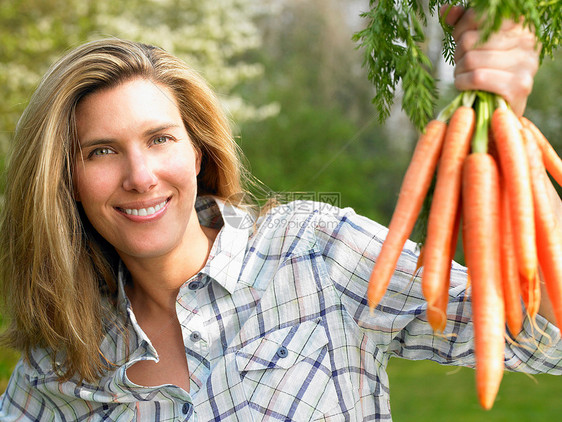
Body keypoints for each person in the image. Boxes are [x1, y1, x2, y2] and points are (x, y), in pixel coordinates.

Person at [0, 6, 560, 421]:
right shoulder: (58, 363)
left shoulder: (318, 253)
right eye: (102, 150)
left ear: (197, 152)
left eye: (160, 139)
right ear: (66, 179)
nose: (140, 175)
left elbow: (543, 336)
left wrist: (505, 128)